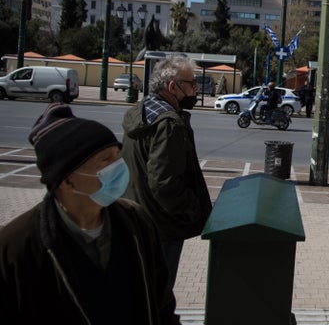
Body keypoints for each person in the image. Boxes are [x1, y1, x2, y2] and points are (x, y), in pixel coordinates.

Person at [0, 103, 179, 324]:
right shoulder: (16, 246)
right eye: (105, 160)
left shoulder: (136, 222)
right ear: (66, 180)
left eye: (117, 155)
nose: (119, 166)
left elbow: (162, 305)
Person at [121, 56, 212, 291]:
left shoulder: (141, 112)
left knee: (142, 293)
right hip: (162, 226)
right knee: (158, 294)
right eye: (192, 84)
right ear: (173, 87)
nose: (196, 89)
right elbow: (164, 182)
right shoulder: (168, 124)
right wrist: (193, 209)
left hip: (137, 218)